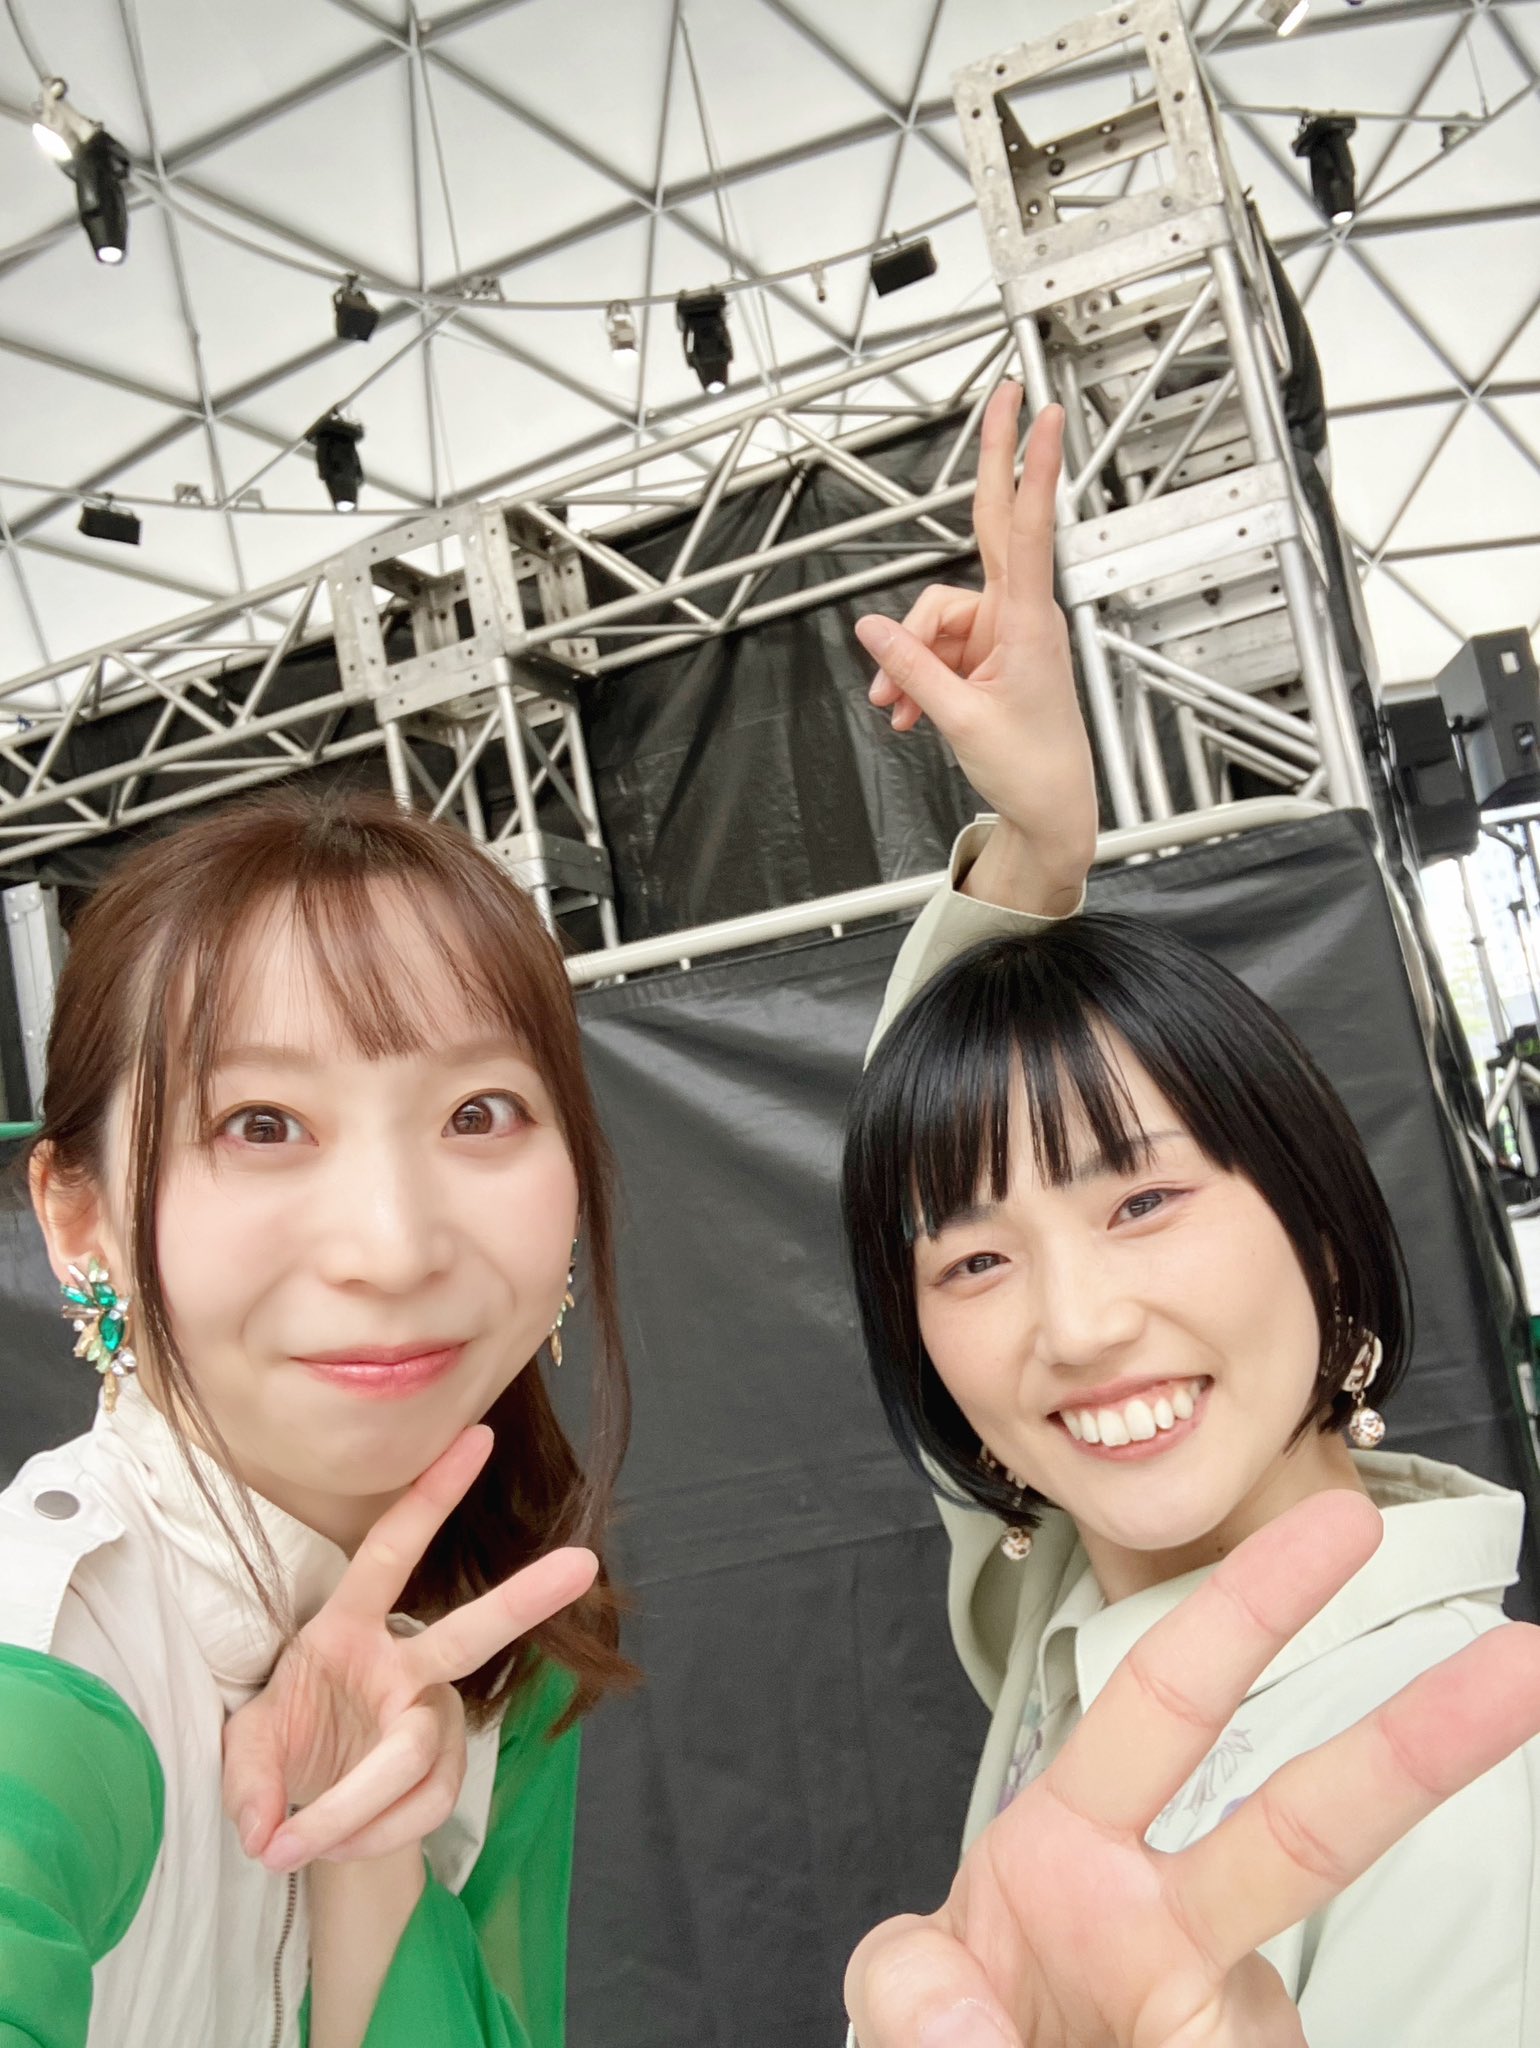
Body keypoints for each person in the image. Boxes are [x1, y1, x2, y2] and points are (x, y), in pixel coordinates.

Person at [837, 383, 1540, 2046]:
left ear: (1321, 1231)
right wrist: (1033, 846)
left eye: (1144, 1198)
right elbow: (903, 1165)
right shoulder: (1070, 1598)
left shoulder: (1472, 1777)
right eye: (978, 1262)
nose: (1075, 1326)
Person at [0, 798, 634, 2047]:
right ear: (79, 1218)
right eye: (261, 1124)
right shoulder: (52, 1653)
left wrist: (369, 1856)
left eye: (478, 1111)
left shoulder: (496, 1637)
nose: (393, 1247)